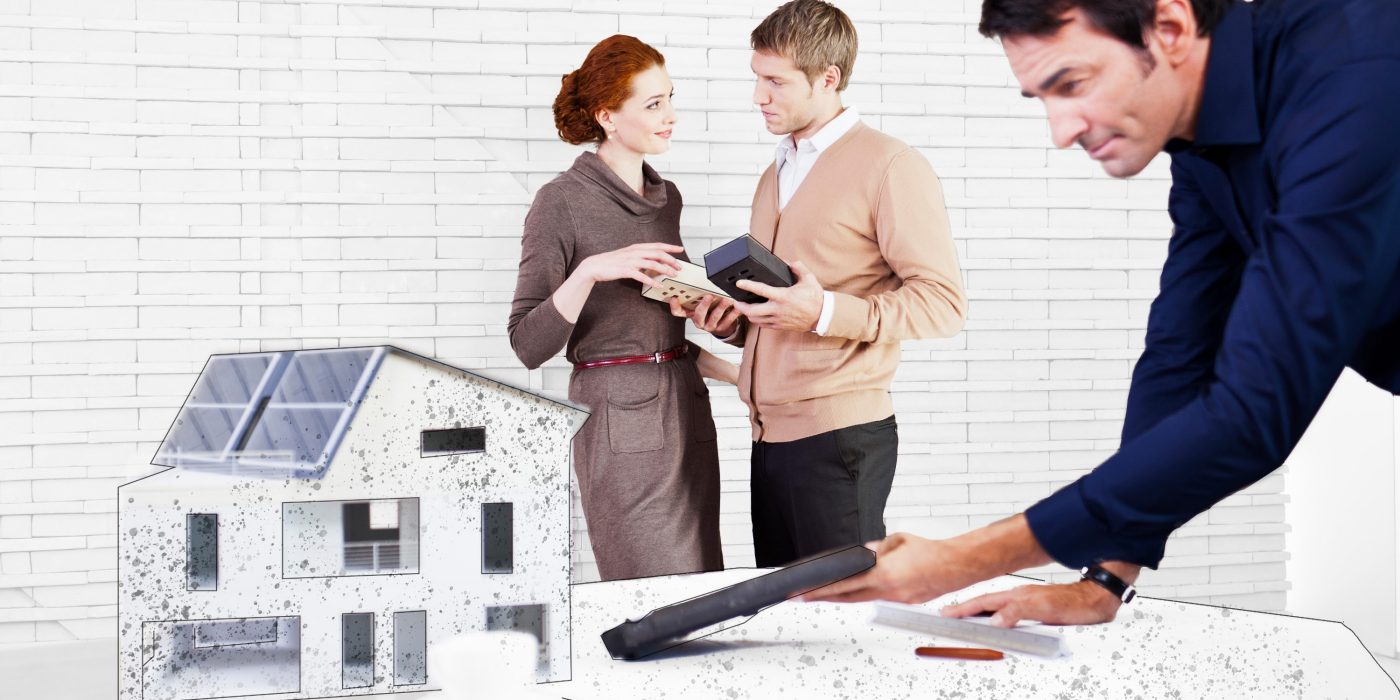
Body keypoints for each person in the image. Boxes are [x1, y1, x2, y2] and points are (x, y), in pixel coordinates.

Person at [807, 0, 1400, 629]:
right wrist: (1105, 578)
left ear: (1168, 29)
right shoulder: (1203, 144)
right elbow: (1180, 358)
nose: (1062, 130)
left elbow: (1256, 413)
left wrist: (963, 558)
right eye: (1042, 98)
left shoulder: (1356, 80)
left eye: (1072, 84)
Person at [679, 0, 968, 568]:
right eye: (757, 79)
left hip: (841, 439)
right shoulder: (775, 171)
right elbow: (785, 309)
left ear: (828, 79)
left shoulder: (891, 166)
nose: (758, 96)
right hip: (768, 440)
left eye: (775, 82)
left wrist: (822, 312)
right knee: (786, 621)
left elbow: (943, 305)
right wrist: (735, 324)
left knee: (843, 621)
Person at [508, 35, 737, 581]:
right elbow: (526, 344)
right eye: (653, 104)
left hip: (687, 411)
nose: (671, 116)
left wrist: (741, 373)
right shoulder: (560, 201)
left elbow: (658, 338)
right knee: (653, 592)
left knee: (705, 584)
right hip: (616, 420)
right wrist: (592, 270)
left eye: (670, 99)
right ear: (607, 116)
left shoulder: (668, 198)